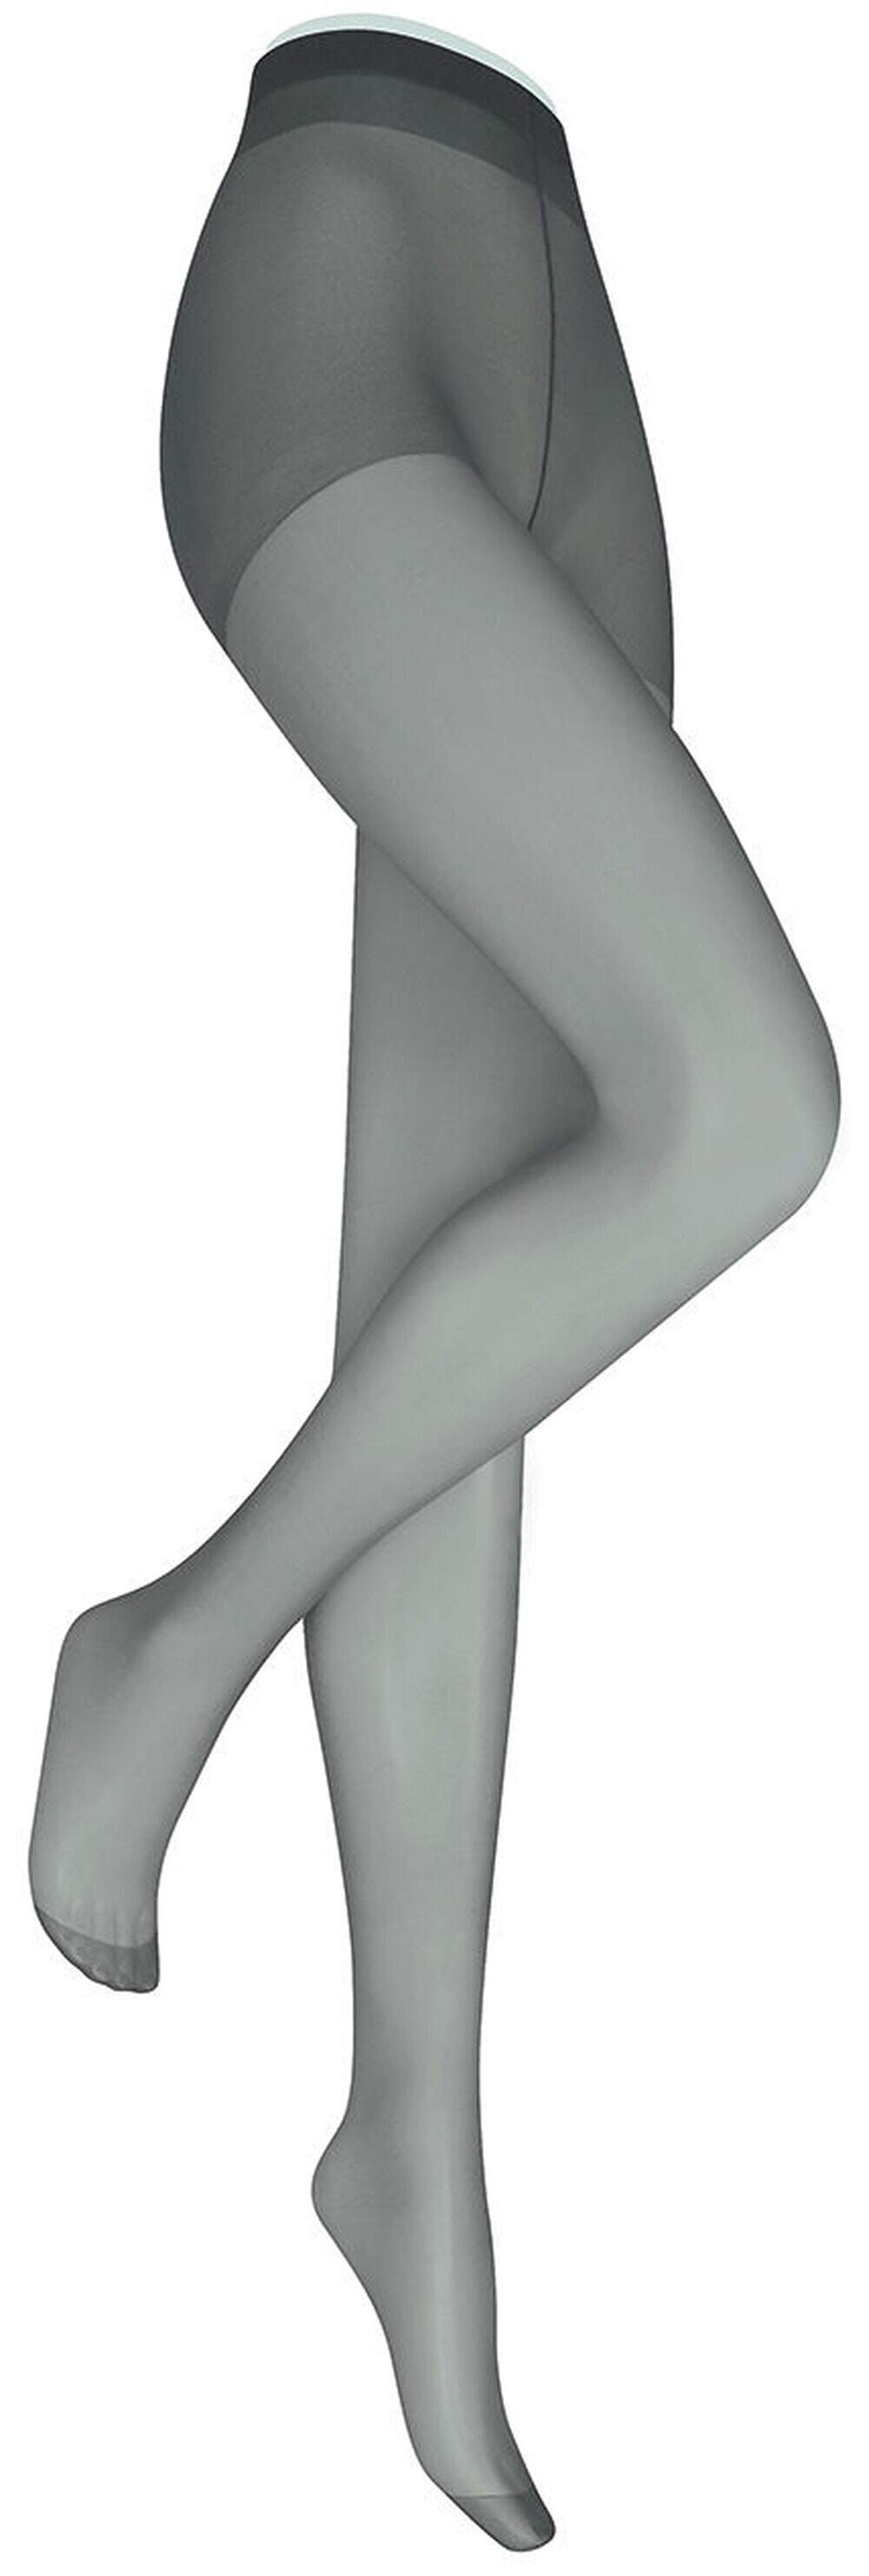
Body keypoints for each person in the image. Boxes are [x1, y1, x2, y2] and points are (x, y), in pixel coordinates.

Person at [30, 19, 839, 2550]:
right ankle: (169, 1645)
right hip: (333, 284)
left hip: (579, 335)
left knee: (449, 1322)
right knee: (746, 1101)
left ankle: (414, 2138)